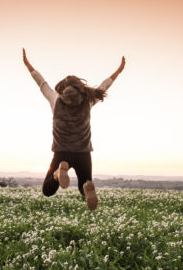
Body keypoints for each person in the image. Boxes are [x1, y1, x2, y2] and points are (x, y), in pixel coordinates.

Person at [23, 48, 125, 210]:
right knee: (83, 186)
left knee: (48, 190)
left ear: (62, 88)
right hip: (83, 153)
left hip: (61, 152)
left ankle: (58, 173)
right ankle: (87, 188)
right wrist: (118, 71)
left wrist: (28, 65)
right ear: (79, 87)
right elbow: (105, 85)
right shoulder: (88, 100)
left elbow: (41, 83)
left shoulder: (55, 99)